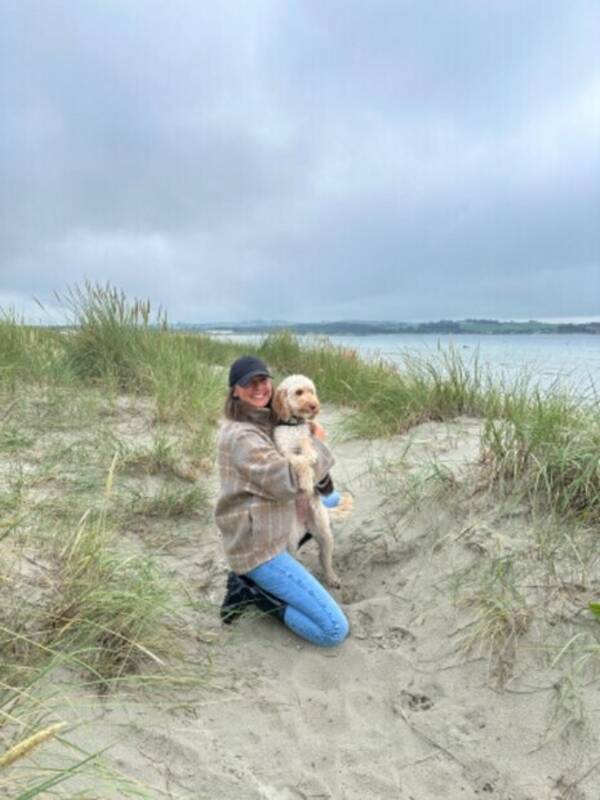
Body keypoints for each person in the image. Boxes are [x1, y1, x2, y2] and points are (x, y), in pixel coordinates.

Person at [214, 355, 349, 647]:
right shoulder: (242, 437)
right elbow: (289, 483)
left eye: (263, 380)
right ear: (235, 390)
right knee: (333, 630)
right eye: (249, 383)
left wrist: (307, 429)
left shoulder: (261, 419)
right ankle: (253, 594)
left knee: (332, 498)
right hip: (259, 546)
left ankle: (301, 541)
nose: (259, 387)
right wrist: (317, 443)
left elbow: (293, 433)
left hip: (271, 517)